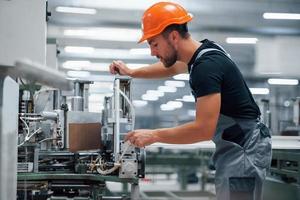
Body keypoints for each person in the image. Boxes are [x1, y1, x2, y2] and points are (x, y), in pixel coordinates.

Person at [109, 2, 271, 200]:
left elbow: (203, 129)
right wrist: (132, 72)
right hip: (236, 144)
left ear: (173, 36)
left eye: (154, 43)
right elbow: (170, 68)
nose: (152, 51)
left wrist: (153, 135)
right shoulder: (203, 53)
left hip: (243, 149)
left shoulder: (206, 67)